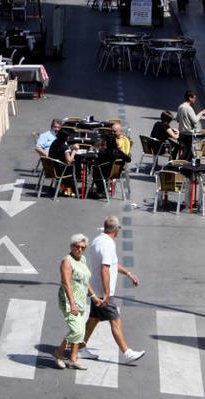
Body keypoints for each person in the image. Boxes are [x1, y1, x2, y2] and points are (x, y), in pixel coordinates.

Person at [81, 216, 145, 364]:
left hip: (96, 290)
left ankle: (79, 348)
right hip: (103, 293)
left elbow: (113, 264)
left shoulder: (98, 240)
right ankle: (127, 352)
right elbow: (105, 269)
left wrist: (128, 274)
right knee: (115, 320)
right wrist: (107, 293)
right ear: (116, 230)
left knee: (93, 320)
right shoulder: (108, 245)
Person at [54, 233, 102, 370]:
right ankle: (59, 353)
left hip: (81, 300)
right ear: (72, 246)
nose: (80, 249)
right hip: (69, 301)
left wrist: (94, 297)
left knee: (80, 332)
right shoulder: (67, 261)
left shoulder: (83, 260)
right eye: (77, 247)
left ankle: (73, 359)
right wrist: (72, 303)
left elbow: (85, 282)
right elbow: (66, 283)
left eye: (83, 247)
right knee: (76, 331)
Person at [176, 90, 205, 161]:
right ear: (190, 98)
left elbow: (177, 119)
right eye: (194, 98)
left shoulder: (180, 106)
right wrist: (201, 113)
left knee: (184, 152)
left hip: (181, 133)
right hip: (188, 134)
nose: (195, 100)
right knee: (188, 153)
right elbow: (195, 120)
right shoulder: (189, 108)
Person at [48, 129, 77, 195]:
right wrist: (74, 151)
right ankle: (70, 190)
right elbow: (69, 161)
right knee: (74, 166)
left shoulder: (54, 142)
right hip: (60, 171)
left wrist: (70, 148)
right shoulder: (64, 147)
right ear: (65, 137)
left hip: (52, 168)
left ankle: (64, 188)